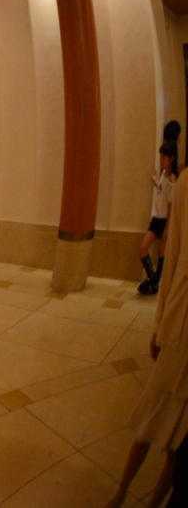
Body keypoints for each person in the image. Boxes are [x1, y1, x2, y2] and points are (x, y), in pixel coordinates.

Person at [104, 175, 188, 508]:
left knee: (180, 444)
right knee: (149, 419)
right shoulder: (186, 182)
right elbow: (174, 258)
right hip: (181, 325)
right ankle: (120, 493)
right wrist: (159, 326)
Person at [141, 143, 179, 295]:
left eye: (164, 157)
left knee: (161, 252)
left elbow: (171, 205)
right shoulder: (164, 174)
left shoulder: (172, 179)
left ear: (171, 159)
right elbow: (163, 192)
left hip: (163, 220)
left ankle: (154, 282)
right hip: (156, 218)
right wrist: (156, 182)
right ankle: (153, 281)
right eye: (160, 156)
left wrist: (167, 229)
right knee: (143, 249)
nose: (161, 160)